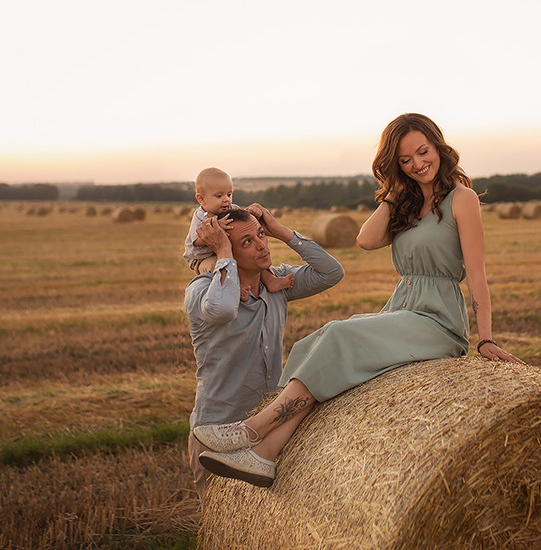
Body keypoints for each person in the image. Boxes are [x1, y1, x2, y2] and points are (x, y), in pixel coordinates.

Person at [193, 113, 523, 488]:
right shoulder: (408, 203)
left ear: (438, 146)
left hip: (438, 320)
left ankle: (253, 430)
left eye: (423, 152)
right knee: (320, 344)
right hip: (404, 307)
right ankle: (265, 455)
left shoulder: (462, 200)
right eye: (404, 161)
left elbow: (477, 275)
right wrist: (398, 190)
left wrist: (486, 338)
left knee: (338, 335)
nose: (417, 164)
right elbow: (366, 239)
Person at [184, 202, 345, 502]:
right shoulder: (202, 293)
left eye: (261, 235)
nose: (261, 246)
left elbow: (331, 272)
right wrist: (222, 252)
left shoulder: (277, 284)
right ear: (225, 252)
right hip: (216, 434)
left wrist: (280, 231)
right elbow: (222, 308)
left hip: (269, 428)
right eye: (247, 241)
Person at [184, 167, 294, 295]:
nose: (226, 199)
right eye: (219, 196)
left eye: (229, 194)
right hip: (203, 258)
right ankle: (235, 287)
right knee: (219, 265)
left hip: (225, 250)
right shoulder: (200, 217)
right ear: (201, 199)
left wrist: (252, 215)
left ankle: (270, 280)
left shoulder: (232, 209)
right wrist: (215, 229)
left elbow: (244, 222)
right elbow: (195, 242)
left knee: (252, 258)